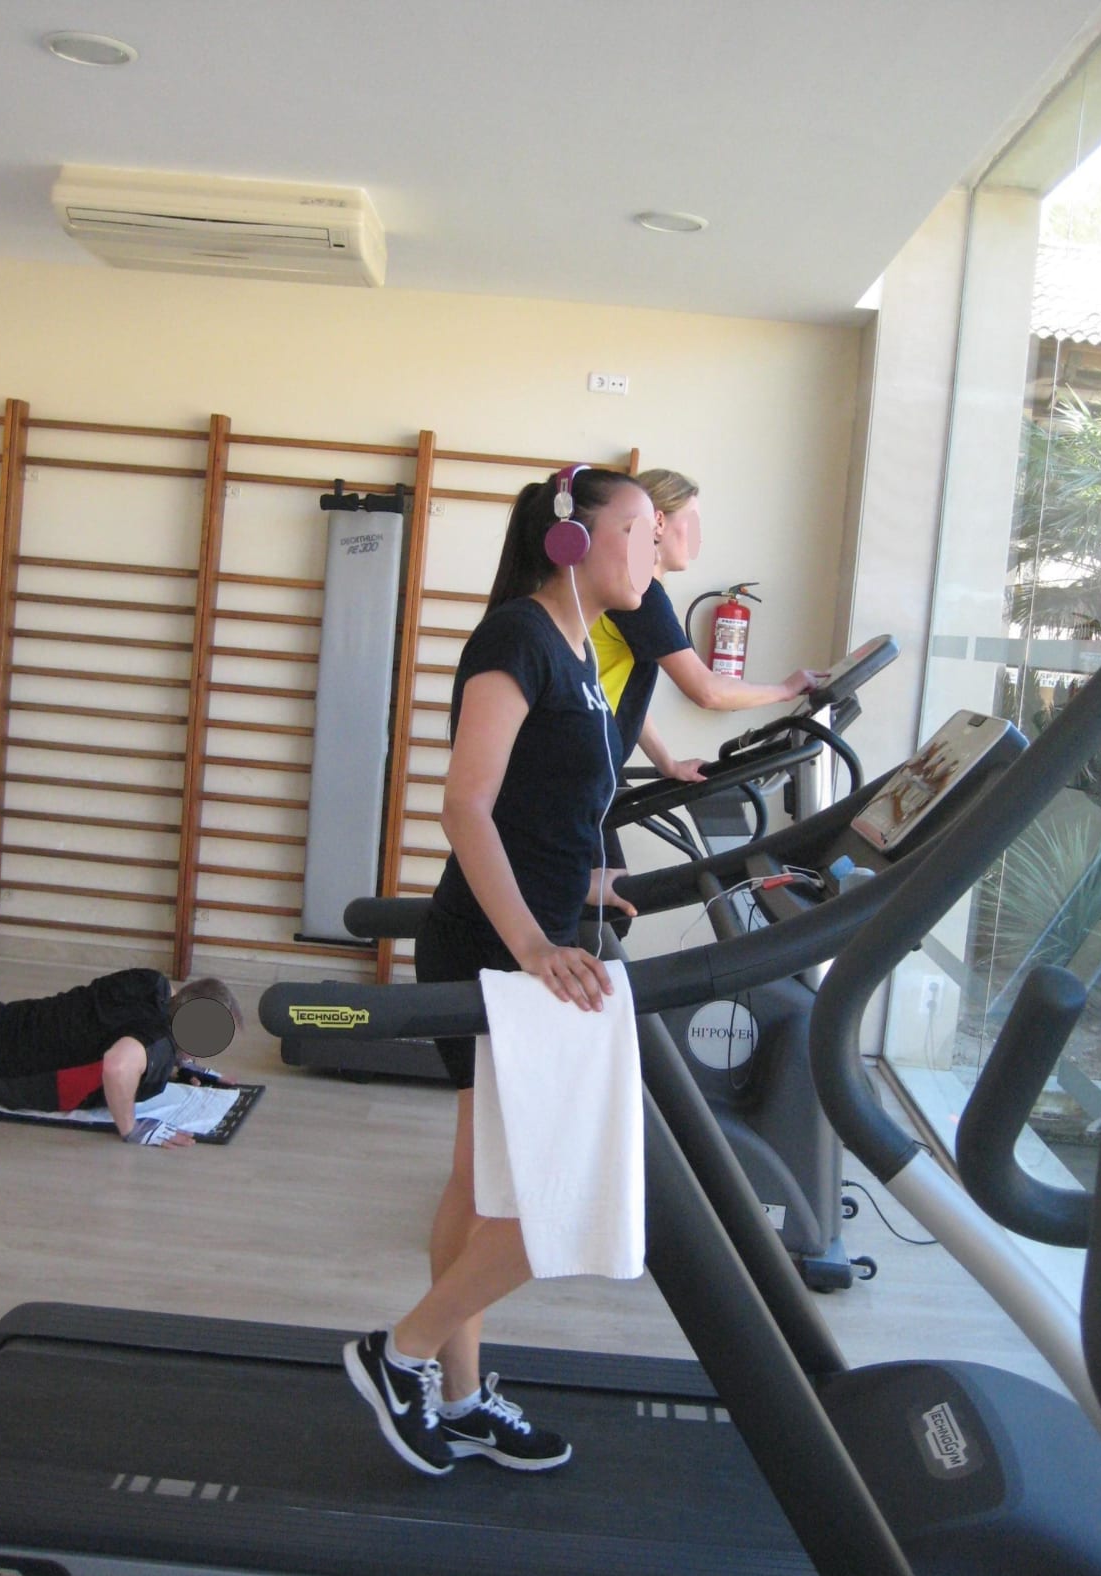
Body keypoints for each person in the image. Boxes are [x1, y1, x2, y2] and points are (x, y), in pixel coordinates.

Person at [344, 465, 655, 1477]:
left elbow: (538, 804)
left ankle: (460, 1395)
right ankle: (401, 1354)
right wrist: (531, 943)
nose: (655, 550)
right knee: (558, 1193)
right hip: (497, 948)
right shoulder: (516, 638)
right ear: (573, 541)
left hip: (532, 933)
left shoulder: (579, 649)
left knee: (483, 1190)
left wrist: (587, 881)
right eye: (640, 529)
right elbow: (466, 803)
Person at [591, 468, 824, 783]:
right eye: (692, 523)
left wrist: (668, 764)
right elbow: (707, 692)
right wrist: (785, 690)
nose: (698, 537)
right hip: (578, 758)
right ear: (658, 522)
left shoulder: (633, 588)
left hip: (591, 756)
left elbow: (624, 700)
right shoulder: (640, 593)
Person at [0, 968, 243, 1146]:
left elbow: (143, 1024)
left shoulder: (152, 983)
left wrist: (180, 1062)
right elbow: (118, 1065)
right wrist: (131, 1128)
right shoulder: (155, 1043)